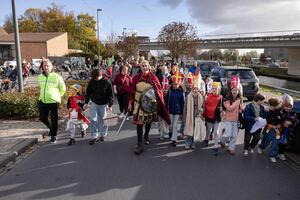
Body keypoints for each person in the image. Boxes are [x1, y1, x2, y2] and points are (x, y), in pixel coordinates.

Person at [128, 60, 170, 155]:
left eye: (146, 65)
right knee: (139, 123)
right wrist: (130, 103)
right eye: (142, 66)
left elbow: (159, 90)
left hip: (150, 105)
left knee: (148, 121)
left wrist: (157, 101)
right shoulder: (136, 78)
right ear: (140, 67)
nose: (144, 67)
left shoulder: (153, 78)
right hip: (138, 105)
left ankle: (146, 135)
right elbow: (131, 91)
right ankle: (139, 144)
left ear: (149, 67)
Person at [38, 59, 66, 143]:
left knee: (54, 119)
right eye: (44, 66)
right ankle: (52, 129)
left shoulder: (57, 77)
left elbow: (63, 89)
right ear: (42, 67)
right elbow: (41, 88)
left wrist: (57, 96)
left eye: (48, 66)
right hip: (43, 100)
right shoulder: (40, 77)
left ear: (51, 67)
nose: (46, 67)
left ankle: (54, 135)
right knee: (42, 118)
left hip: (54, 101)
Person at [84, 68, 113, 145]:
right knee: (93, 120)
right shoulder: (92, 81)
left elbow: (110, 95)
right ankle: (94, 136)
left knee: (103, 120)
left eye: (97, 78)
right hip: (94, 103)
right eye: (94, 78)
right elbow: (88, 92)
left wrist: (110, 105)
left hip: (104, 104)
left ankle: (103, 134)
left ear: (101, 75)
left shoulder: (107, 82)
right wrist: (86, 102)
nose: (95, 79)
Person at [219, 76, 243, 155]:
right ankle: (222, 140)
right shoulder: (227, 98)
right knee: (228, 134)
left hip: (236, 120)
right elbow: (229, 108)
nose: (235, 91)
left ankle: (231, 148)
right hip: (228, 119)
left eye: (236, 90)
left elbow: (240, 108)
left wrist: (241, 109)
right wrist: (237, 102)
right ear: (231, 90)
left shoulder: (240, 99)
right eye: (233, 90)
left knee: (234, 135)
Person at [183, 74, 206, 150]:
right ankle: (187, 143)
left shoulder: (201, 97)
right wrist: (184, 117)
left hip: (197, 116)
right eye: (194, 88)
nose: (195, 90)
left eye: (197, 89)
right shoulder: (188, 97)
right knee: (188, 130)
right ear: (192, 89)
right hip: (189, 116)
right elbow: (185, 108)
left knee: (195, 130)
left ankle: (193, 143)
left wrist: (201, 112)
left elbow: (203, 106)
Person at [258, 97, 282, 163]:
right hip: (269, 128)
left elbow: (283, 118)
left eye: (278, 105)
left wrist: (280, 124)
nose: (278, 106)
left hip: (278, 129)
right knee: (266, 140)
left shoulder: (280, 109)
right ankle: (261, 147)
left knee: (275, 142)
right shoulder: (268, 110)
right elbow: (264, 119)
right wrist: (266, 111)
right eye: (276, 106)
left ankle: (272, 155)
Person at [203, 82, 222, 155]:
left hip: (217, 117)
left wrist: (222, 109)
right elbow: (205, 105)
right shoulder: (208, 96)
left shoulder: (221, 97)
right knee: (209, 130)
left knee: (216, 132)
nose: (214, 90)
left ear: (218, 90)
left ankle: (216, 146)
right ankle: (206, 139)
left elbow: (224, 106)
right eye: (213, 89)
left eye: (216, 89)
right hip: (209, 117)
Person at [165, 72, 185, 147]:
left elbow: (183, 102)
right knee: (171, 125)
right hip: (170, 110)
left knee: (175, 125)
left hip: (177, 111)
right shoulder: (169, 91)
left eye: (176, 84)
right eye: (174, 84)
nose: (175, 85)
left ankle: (174, 139)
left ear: (179, 84)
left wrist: (182, 112)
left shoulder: (181, 92)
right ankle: (170, 132)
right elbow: (166, 101)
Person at [278, 94, 298, 161]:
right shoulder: (280, 111)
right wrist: (283, 123)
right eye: (286, 106)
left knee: (284, 143)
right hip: (280, 130)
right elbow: (277, 120)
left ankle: (281, 153)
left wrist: (291, 123)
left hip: (288, 132)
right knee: (277, 141)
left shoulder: (293, 113)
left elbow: (296, 121)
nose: (288, 108)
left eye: (290, 106)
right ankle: (274, 151)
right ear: (283, 105)